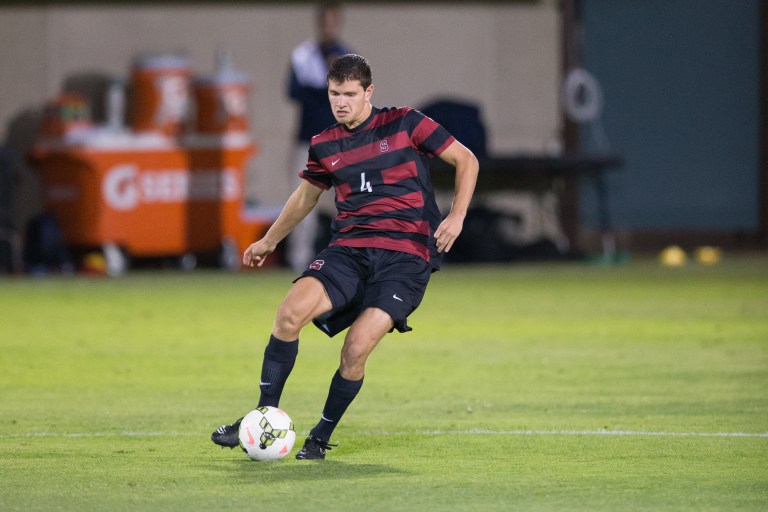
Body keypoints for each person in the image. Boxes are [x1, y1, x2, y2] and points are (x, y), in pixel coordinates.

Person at [211, 54, 479, 460]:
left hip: (404, 257)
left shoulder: (405, 123)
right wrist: (269, 240)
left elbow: (466, 159)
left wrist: (457, 216)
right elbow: (305, 198)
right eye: (335, 94)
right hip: (350, 250)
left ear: (369, 92)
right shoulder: (324, 144)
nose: (341, 102)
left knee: (355, 349)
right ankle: (261, 416)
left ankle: (320, 436)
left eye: (350, 94)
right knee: (288, 314)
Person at [286, 1, 352, 272]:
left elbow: (353, 97)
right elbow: (293, 92)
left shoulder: (348, 58)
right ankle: (298, 262)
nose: (328, 26)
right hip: (309, 141)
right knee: (302, 202)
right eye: (324, 20)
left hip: (341, 142)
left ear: (338, 22)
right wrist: (327, 84)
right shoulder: (304, 56)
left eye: (332, 20)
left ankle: (350, 260)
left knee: (349, 202)